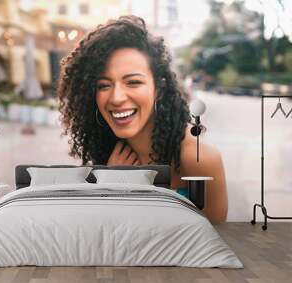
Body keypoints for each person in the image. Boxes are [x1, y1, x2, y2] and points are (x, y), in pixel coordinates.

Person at [57, 15, 228, 223]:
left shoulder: (198, 159)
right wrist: (110, 184)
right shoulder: (109, 153)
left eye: (133, 82)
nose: (116, 98)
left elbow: (215, 243)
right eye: (104, 85)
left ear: (159, 87)